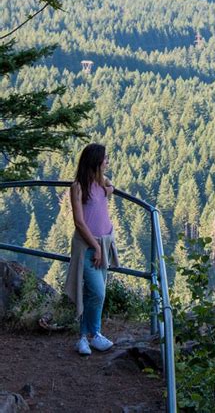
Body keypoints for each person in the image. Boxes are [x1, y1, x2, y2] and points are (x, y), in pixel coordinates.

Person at [64, 143, 119, 356]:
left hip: (104, 243)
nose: (107, 162)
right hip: (88, 247)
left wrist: (110, 188)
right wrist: (95, 246)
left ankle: (90, 336)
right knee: (97, 291)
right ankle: (88, 336)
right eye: (105, 159)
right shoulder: (77, 187)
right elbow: (79, 221)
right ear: (96, 162)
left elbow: (109, 185)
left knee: (96, 293)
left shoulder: (100, 181)